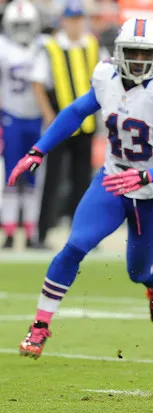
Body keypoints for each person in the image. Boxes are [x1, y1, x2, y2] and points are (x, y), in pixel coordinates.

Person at [12, 18, 153, 359]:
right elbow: (75, 111)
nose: (138, 60)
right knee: (74, 246)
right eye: (131, 52)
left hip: (151, 192)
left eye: (145, 54)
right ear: (118, 52)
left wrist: (148, 177)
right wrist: (38, 150)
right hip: (112, 181)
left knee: (138, 271)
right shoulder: (105, 77)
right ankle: (40, 325)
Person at [30, 0, 100, 249]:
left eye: (80, 19)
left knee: (83, 181)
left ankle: (80, 233)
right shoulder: (51, 46)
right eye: (72, 19)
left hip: (87, 125)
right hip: (61, 125)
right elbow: (37, 83)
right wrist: (49, 114)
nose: (76, 24)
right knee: (53, 179)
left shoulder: (91, 44)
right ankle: (41, 233)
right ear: (64, 21)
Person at [0, 0, 43, 249]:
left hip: (36, 117)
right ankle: (8, 230)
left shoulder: (41, 47)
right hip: (11, 116)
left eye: (26, 25)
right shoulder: (4, 47)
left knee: (34, 177)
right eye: (18, 25)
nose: (23, 30)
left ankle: (30, 230)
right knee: (11, 176)